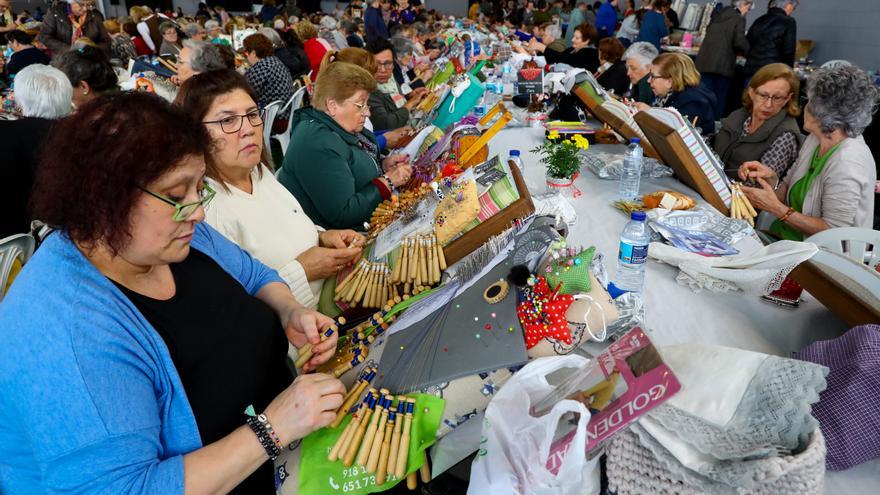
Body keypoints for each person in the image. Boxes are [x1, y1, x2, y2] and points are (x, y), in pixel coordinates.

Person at [0, 92, 343, 493]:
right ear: (103, 198)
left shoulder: (169, 237)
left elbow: (252, 274)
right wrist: (271, 429)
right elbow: (128, 487)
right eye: (178, 195)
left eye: (200, 188)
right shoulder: (68, 331)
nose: (197, 209)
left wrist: (289, 312)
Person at [177, 70, 364, 310]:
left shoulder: (258, 173)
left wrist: (323, 236)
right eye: (227, 120)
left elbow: (286, 222)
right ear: (195, 133)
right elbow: (234, 311)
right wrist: (302, 271)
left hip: (337, 293)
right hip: (306, 331)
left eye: (252, 114)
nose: (248, 129)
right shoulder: (207, 215)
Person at [740, 65, 879, 241]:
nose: (805, 107)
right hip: (783, 240)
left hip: (819, 259)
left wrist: (776, 208)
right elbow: (787, 188)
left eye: (810, 101)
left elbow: (833, 232)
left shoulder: (848, 162)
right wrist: (770, 181)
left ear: (823, 113)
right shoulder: (815, 139)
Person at [277, 62, 412, 230]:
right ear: (332, 106)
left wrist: (382, 165)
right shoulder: (317, 145)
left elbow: (350, 167)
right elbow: (343, 214)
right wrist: (388, 181)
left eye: (367, 104)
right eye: (360, 105)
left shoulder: (336, 126)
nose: (367, 112)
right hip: (348, 238)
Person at [0, 64, 71, 238]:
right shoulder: (86, 137)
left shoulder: (5, 133)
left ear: (20, 102)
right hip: (65, 240)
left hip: (11, 247)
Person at [713, 63, 803, 180]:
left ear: (787, 98)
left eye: (777, 98)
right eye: (763, 95)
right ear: (751, 92)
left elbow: (758, 186)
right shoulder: (739, 115)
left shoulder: (786, 136)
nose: (768, 104)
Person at [633, 52, 716, 135]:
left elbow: (675, 137)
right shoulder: (667, 96)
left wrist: (650, 112)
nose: (648, 81)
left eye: (653, 76)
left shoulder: (693, 102)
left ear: (670, 81)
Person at [695, 0, 751, 120]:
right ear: (743, 5)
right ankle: (712, 131)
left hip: (704, 62)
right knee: (717, 101)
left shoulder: (717, 15)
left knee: (701, 97)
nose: (748, 11)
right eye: (749, 7)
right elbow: (739, 41)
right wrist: (750, 52)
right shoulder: (739, 19)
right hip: (722, 65)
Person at [367, 37, 426, 130]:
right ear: (368, 64)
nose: (383, 70)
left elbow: (394, 102)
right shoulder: (368, 90)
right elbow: (385, 124)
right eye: (377, 64)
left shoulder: (391, 77)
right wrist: (411, 102)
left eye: (388, 63)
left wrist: (410, 95)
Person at [243, 33, 295, 126]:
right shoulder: (274, 61)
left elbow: (245, 95)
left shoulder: (260, 69)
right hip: (285, 114)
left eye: (246, 53)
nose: (246, 56)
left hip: (274, 120)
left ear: (254, 53)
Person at [743, 0, 798, 79]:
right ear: (787, 5)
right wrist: (788, 73)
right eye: (794, 7)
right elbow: (789, 51)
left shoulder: (759, 20)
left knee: (750, 91)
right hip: (772, 71)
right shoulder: (789, 22)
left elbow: (747, 44)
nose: (793, 10)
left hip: (751, 69)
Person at [52, 45, 117, 109]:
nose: (66, 101)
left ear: (84, 86)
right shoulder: (114, 102)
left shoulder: (100, 117)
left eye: (66, 94)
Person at [39, 0, 110, 57]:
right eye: (81, 4)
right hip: (65, 59)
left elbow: (105, 40)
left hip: (91, 59)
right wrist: (70, 49)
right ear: (71, 1)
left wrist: (93, 50)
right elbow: (45, 37)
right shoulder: (55, 13)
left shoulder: (95, 15)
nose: (85, 9)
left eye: (88, 4)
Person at [527, 23, 599, 72]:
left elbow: (565, 60)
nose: (572, 40)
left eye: (577, 38)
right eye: (573, 36)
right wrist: (535, 52)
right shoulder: (572, 49)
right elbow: (555, 59)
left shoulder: (590, 54)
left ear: (587, 41)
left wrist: (542, 48)